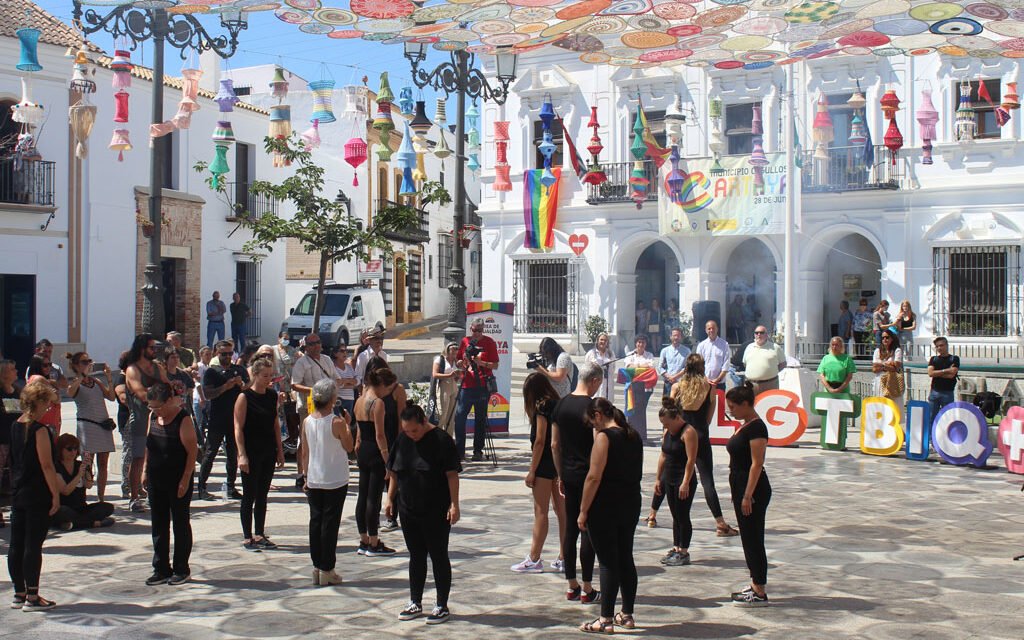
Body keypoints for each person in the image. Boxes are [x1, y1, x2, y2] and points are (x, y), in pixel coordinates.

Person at [386, 404, 461, 625]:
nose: (411, 435)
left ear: (424, 422)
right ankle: (415, 601)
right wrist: (390, 498)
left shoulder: (441, 440)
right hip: (408, 508)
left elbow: (452, 475)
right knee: (415, 555)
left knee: (438, 555)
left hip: (435, 509)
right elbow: (395, 472)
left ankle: (441, 605)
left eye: (414, 431)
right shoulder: (402, 440)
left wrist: (454, 504)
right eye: (407, 431)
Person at [577, 397, 643, 633]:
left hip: (605, 504)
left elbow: (593, 477)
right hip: (630, 502)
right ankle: (626, 613)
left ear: (598, 415)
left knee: (607, 561)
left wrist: (583, 510)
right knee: (625, 556)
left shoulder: (605, 438)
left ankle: (604, 619)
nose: (594, 428)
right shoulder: (633, 435)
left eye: (593, 423)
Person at [665, 354, 739, 537]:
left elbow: (670, 413)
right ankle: (720, 522)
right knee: (707, 480)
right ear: (702, 367)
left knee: (671, 475)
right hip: (699, 432)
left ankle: (654, 514)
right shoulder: (709, 388)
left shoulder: (677, 387)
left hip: (680, 433)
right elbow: (709, 416)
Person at [551, 362, 603, 604]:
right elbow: (598, 442)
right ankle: (588, 587)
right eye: (599, 384)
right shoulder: (592, 408)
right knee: (589, 530)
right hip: (589, 475)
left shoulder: (561, 404)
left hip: (569, 474)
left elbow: (554, 444)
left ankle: (571, 584)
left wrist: (560, 474)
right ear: (593, 381)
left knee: (571, 529)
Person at [8, 381, 62, 611]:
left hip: (18, 490)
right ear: (38, 402)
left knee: (16, 543)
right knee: (33, 544)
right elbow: (47, 465)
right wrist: (55, 494)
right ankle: (32, 596)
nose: (48, 407)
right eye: (47, 403)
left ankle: (19, 592)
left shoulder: (15, 425)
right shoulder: (39, 430)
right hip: (36, 492)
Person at [143, 383, 198, 586]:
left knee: (180, 523)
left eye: (158, 406)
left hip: (177, 480)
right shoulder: (152, 417)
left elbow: (192, 452)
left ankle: (181, 568)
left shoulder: (182, 419)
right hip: (156, 478)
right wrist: (144, 471)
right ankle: (161, 568)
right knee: (159, 523)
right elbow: (150, 444)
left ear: (168, 401)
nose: (155, 410)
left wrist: (185, 479)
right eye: (151, 407)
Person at [510, 372, 565, 574]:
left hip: (543, 464)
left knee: (540, 512)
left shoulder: (542, 407)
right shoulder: (558, 403)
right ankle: (564, 556)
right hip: (559, 462)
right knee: (562, 513)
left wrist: (531, 470)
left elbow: (540, 440)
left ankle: (534, 558)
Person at [302, 379, 355, 586]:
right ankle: (327, 567)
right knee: (329, 523)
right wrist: (349, 426)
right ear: (332, 399)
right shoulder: (337, 422)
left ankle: (317, 565)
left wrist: (305, 476)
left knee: (316, 521)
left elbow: (305, 452)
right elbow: (349, 446)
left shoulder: (307, 421)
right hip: (334, 478)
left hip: (315, 477)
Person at [724, 382, 772, 607]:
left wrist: (746, 495)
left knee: (753, 537)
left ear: (745, 404)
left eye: (733, 406)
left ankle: (760, 590)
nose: (730, 410)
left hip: (751, 487)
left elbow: (756, 464)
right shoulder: (745, 424)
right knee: (747, 536)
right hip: (740, 483)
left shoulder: (757, 428)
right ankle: (755, 582)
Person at [234, 357, 285, 551]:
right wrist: (242, 454)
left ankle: (260, 532)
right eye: (265, 376)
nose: (268, 379)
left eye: (270, 376)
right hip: (251, 450)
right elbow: (238, 427)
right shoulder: (244, 397)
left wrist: (280, 451)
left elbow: (275, 425)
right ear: (254, 375)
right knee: (250, 494)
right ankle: (247, 536)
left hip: (267, 449)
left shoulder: (272, 396)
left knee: (263, 494)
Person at [353, 366, 396, 557]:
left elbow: (360, 432)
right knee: (374, 497)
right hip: (376, 451)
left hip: (363, 450)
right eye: (389, 388)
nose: (388, 393)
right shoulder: (377, 403)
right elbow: (380, 435)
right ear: (381, 385)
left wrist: (357, 446)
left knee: (362, 495)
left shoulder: (359, 401)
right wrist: (387, 459)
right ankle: (373, 541)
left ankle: (363, 539)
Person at [198, 340, 249, 501]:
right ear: (216, 354)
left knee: (233, 453)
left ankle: (231, 486)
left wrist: (241, 385)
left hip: (235, 418)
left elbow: (248, 389)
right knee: (211, 452)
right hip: (217, 418)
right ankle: (201, 487)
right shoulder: (212, 372)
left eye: (230, 353)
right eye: (223, 354)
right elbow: (208, 394)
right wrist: (225, 387)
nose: (227, 357)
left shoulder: (238, 370)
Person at [125, 334, 169, 512]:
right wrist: (160, 393)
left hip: (159, 418)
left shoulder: (157, 367)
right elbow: (142, 394)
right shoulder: (132, 369)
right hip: (141, 419)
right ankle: (134, 497)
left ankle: (153, 493)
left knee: (156, 458)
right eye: (152, 348)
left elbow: (169, 386)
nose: (155, 351)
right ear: (142, 349)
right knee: (138, 458)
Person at [654, 398, 699, 567]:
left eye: (667, 424)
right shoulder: (668, 433)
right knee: (674, 515)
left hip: (683, 478)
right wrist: (658, 478)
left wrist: (686, 482)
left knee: (682, 514)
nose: (666, 427)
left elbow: (691, 459)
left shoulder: (688, 432)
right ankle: (676, 546)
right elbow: (663, 456)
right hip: (669, 477)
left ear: (676, 419)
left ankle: (684, 550)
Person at [66, 352, 115, 502]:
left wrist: (109, 378)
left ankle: (101, 497)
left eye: (89, 361)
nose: (88, 364)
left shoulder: (96, 382)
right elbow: (70, 392)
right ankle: (83, 495)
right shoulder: (75, 383)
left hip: (102, 426)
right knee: (87, 463)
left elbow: (111, 397)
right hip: (87, 427)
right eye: (84, 362)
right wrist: (82, 375)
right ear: (75, 365)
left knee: (103, 463)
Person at [291, 333, 340, 483]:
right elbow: (294, 384)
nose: (316, 346)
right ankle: (301, 473)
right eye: (312, 344)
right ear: (306, 347)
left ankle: (321, 470)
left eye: (318, 342)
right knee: (305, 438)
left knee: (324, 438)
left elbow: (335, 377)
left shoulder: (326, 360)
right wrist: (314, 391)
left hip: (326, 405)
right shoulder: (301, 362)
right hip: (308, 406)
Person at [454, 318, 499, 462]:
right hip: (467, 385)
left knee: (480, 419)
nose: (477, 333)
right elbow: (458, 360)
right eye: (475, 330)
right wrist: (460, 362)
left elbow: (495, 365)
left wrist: (482, 363)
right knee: (460, 417)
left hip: (482, 385)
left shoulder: (489, 342)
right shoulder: (465, 341)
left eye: (480, 330)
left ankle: (477, 450)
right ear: (471, 329)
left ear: (483, 330)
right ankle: (460, 450)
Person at [369, 365, 407, 533]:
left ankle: (392, 517)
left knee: (392, 478)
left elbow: (401, 417)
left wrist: (400, 442)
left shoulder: (398, 390)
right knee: (377, 479)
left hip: (392, 436)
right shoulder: (373, 391)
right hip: (377, 437)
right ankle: (374, 516)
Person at [50, 434, 114, 530]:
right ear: (61, 449)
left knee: (107, 507)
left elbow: (88, 485)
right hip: (65, 506)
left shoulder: (79, 465)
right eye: (69, 449)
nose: (73, 452)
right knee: (62, 512)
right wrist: (79, 475)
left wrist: (87, 469)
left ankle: (74, 524)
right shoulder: (56, 467)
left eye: (75, 449)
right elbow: (66, 491)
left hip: (81, 507)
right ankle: (92, 523)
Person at [0, 359, 23, 526]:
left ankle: (17, 510)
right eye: (12, 369)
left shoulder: (17, 391)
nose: (16, 371)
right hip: (1, 440)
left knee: (16, 475)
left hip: (15, 440)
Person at [742, 326, 786, 395]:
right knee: (750, 405)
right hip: (750, 385)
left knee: (770, 405)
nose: (759, 335)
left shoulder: (775, 347)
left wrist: (771, 372)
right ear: (754, 335)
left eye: (761, 333)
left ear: (766, 335)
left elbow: (783, 364)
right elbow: (745, 364)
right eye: (756, 333)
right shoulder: (749, 347)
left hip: (770, 384)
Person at [429, 343, 461, 437]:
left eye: (456, 352)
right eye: (452, 351)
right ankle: (437, 437)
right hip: (443, 385)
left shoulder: (455, 361)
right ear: (447, 351)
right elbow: (435, 374)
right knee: (442, 414)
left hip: (453, 386)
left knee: (451, 416)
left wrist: (458, 375)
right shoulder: (440, 359)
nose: (454, 354)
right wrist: (449, 375)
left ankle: (449, 438)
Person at [113, 351, 132, 499]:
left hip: (136, 419)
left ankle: (136, 485)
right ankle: (125, 486)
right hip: (127, 420)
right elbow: (123, 398)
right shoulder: (121, 378)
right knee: (128, 453)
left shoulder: (133, 377)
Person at [25, 357, 61, 432]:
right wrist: (53, 387)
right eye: (45, 365)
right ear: (37, 366)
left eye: (49, 364)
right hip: (44, 421)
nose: (48, 367)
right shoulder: (38, 379)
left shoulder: (43, 379)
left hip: (52, 420)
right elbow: (56, 399)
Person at [927, 337, 960, 418]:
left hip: (947, 393)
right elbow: (930, 373)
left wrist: (937, 373)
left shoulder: (954, 359)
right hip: (934, 392)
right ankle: (931, 431)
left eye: (941, 345)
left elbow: (952, 374)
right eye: (937, 346)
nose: (939, 348)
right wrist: (946, 370)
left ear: (946, 345)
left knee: (947, 417)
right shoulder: (933, 359)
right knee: (931, 417)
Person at [696, 320, 731, 391]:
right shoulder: (701, 345)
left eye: (713, 328)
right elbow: (698, 364)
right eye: (709, 328)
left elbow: (726, 365)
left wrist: (717, 379)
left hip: (719, 384)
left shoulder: (724, 344)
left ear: (717, 329)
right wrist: (705, 379)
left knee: (719, 402)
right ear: (706, 330)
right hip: (704, 382)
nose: (711, 330)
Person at [872, 331, 904, 405]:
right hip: (880, 381)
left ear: (891, 338)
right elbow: (874, 369)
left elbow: (896, 367)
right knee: (880, 404)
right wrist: (888, 365)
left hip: (892, 381)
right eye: (883, 338)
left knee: (893, 404)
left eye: (887, 337)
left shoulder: (897, 350)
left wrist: (881, 365)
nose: (884, 339)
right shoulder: (877, 351)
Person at [658, 327, 691, 397]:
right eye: (674, 335)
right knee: (667, 405)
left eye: (678, 336)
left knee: (680, 405)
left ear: (681, 337)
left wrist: (675, 377)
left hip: (681, 382)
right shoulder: (665, 351)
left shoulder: (687, 351)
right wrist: (670, 377)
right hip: (668, 383)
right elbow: (660, 367)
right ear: (670, 337)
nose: (676, 337)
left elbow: (687, 367)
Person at [164, 348, 195, 420]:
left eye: (177, 357)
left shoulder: (183, 374)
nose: (176, 359)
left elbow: (190, 389)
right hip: (168, 410)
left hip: (182, 409)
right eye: (173, 357)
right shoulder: (163, 374)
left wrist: (190, 407)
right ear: (166, 359)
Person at [585, 333, 615, 400]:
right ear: (597, 340)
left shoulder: (611, 354)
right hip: (595, 385)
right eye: (601, 340)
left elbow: (613, 368)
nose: (603, 342)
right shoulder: (591, 354)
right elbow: (586, 370)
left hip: (607, 386)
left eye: (605, 340)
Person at [332, 345, 358, 419]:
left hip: (350, 399)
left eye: (346, 351)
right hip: (338, 399)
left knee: (347, 422)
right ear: (335, 354)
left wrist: (344, 381)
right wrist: (350, 382)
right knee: (338, 421)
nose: (345, 353)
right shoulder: (333, 367)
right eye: (342, 351)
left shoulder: (349, 367)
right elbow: (336, 384)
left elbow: (356, 381)